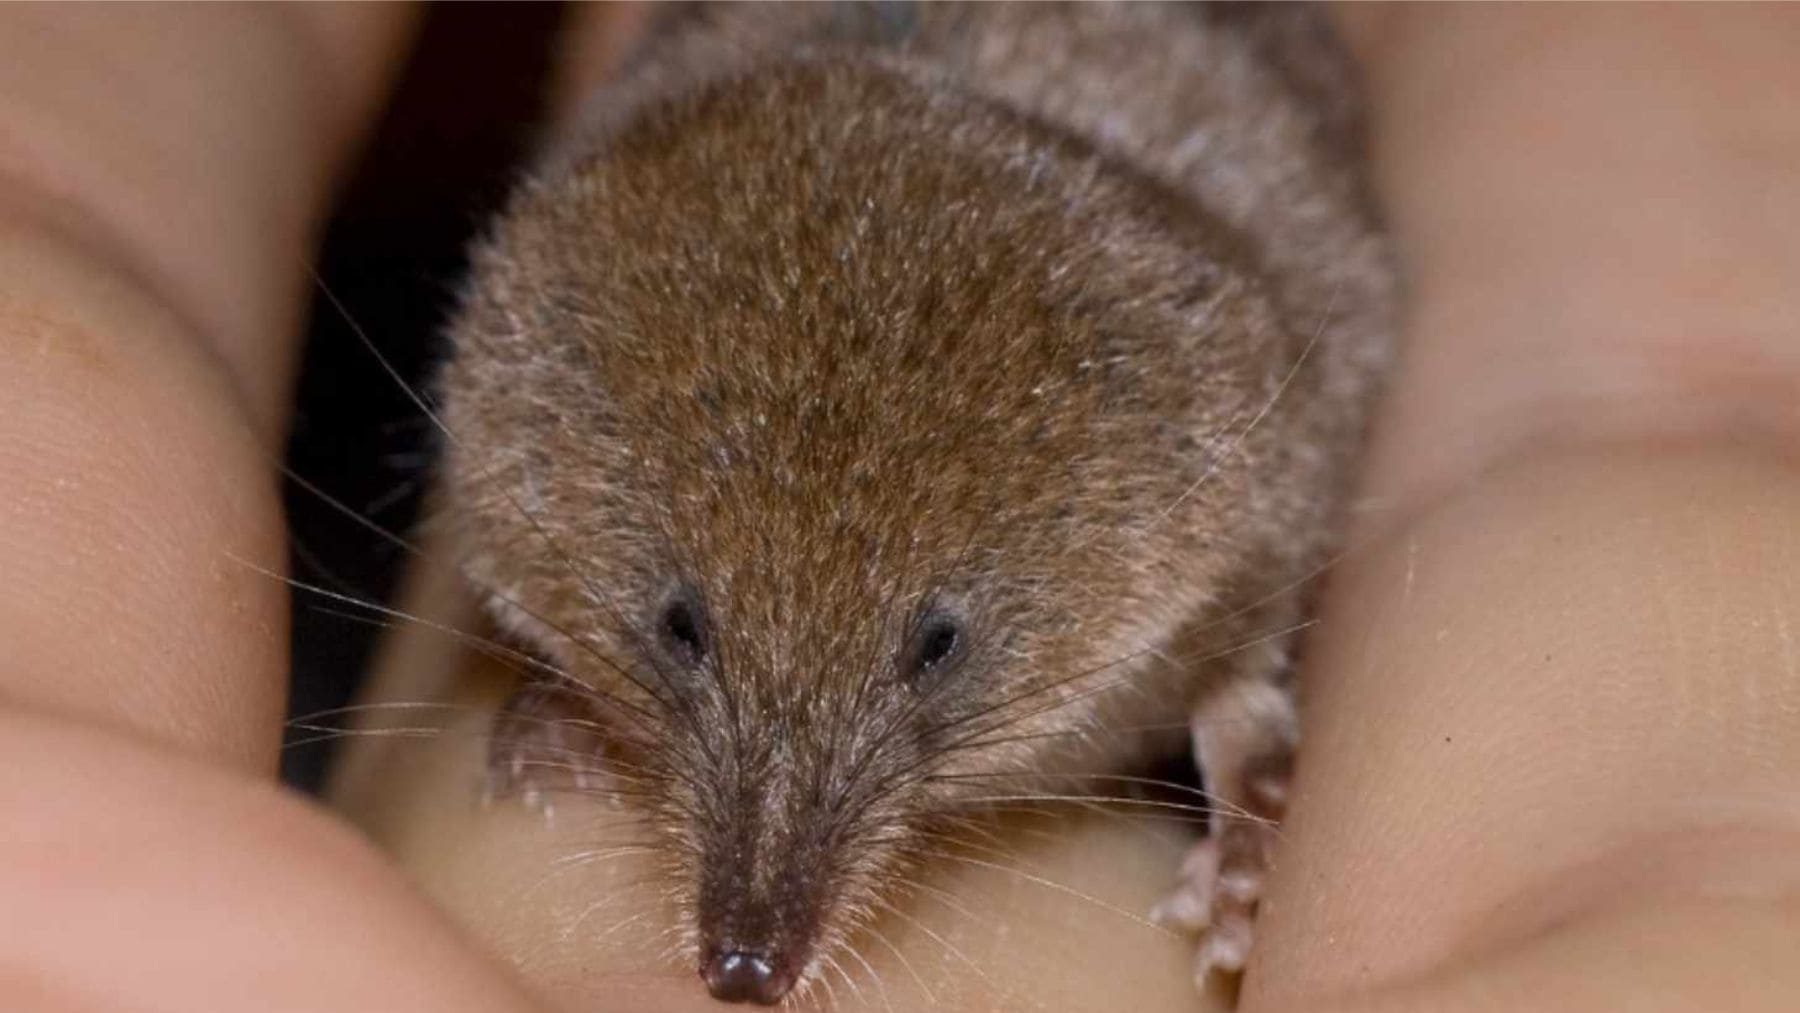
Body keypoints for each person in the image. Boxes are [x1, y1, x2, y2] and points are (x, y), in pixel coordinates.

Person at [2, 6, 1796, 1010]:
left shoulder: (1204, 405)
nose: (755, 927)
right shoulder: (605, 310)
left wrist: (1246, 736)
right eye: (681, 631)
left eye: (931, 650)